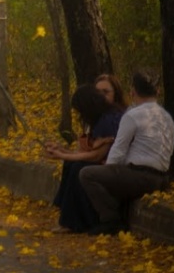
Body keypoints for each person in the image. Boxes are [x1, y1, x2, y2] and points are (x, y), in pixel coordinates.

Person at [79, 70, 174, 235]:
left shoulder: (133, 115)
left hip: (139, 176)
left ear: (132, 92)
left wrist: (107, 170)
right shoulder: (166, 117)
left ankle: (111, 220)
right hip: (161, 177)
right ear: (158, 91)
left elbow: (118, 150)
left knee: (87, 174)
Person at [44, 83, 124, 233]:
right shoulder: (99, 119)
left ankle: (74, 221)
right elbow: (86, 150)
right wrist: (62, 151)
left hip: (112, 165)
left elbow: (97, 156)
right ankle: (66, 213)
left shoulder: (109, 120)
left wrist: (62, 155)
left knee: (78, 168)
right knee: (70, 164)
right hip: (103, 161)